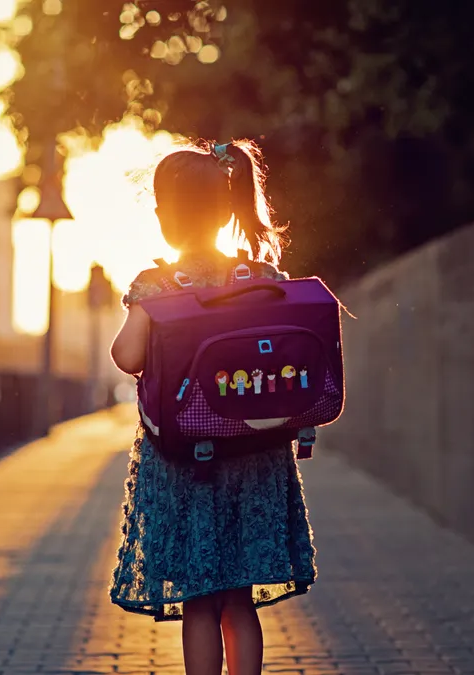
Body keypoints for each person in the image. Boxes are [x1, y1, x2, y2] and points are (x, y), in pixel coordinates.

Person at [109, 140, 317, 675]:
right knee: (240, 596)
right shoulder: (263, 279)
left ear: (162, 215)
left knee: (200, 599)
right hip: (255, 457)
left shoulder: (157, 286)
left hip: (186, 465)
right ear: (228, 208)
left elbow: (127, 356)